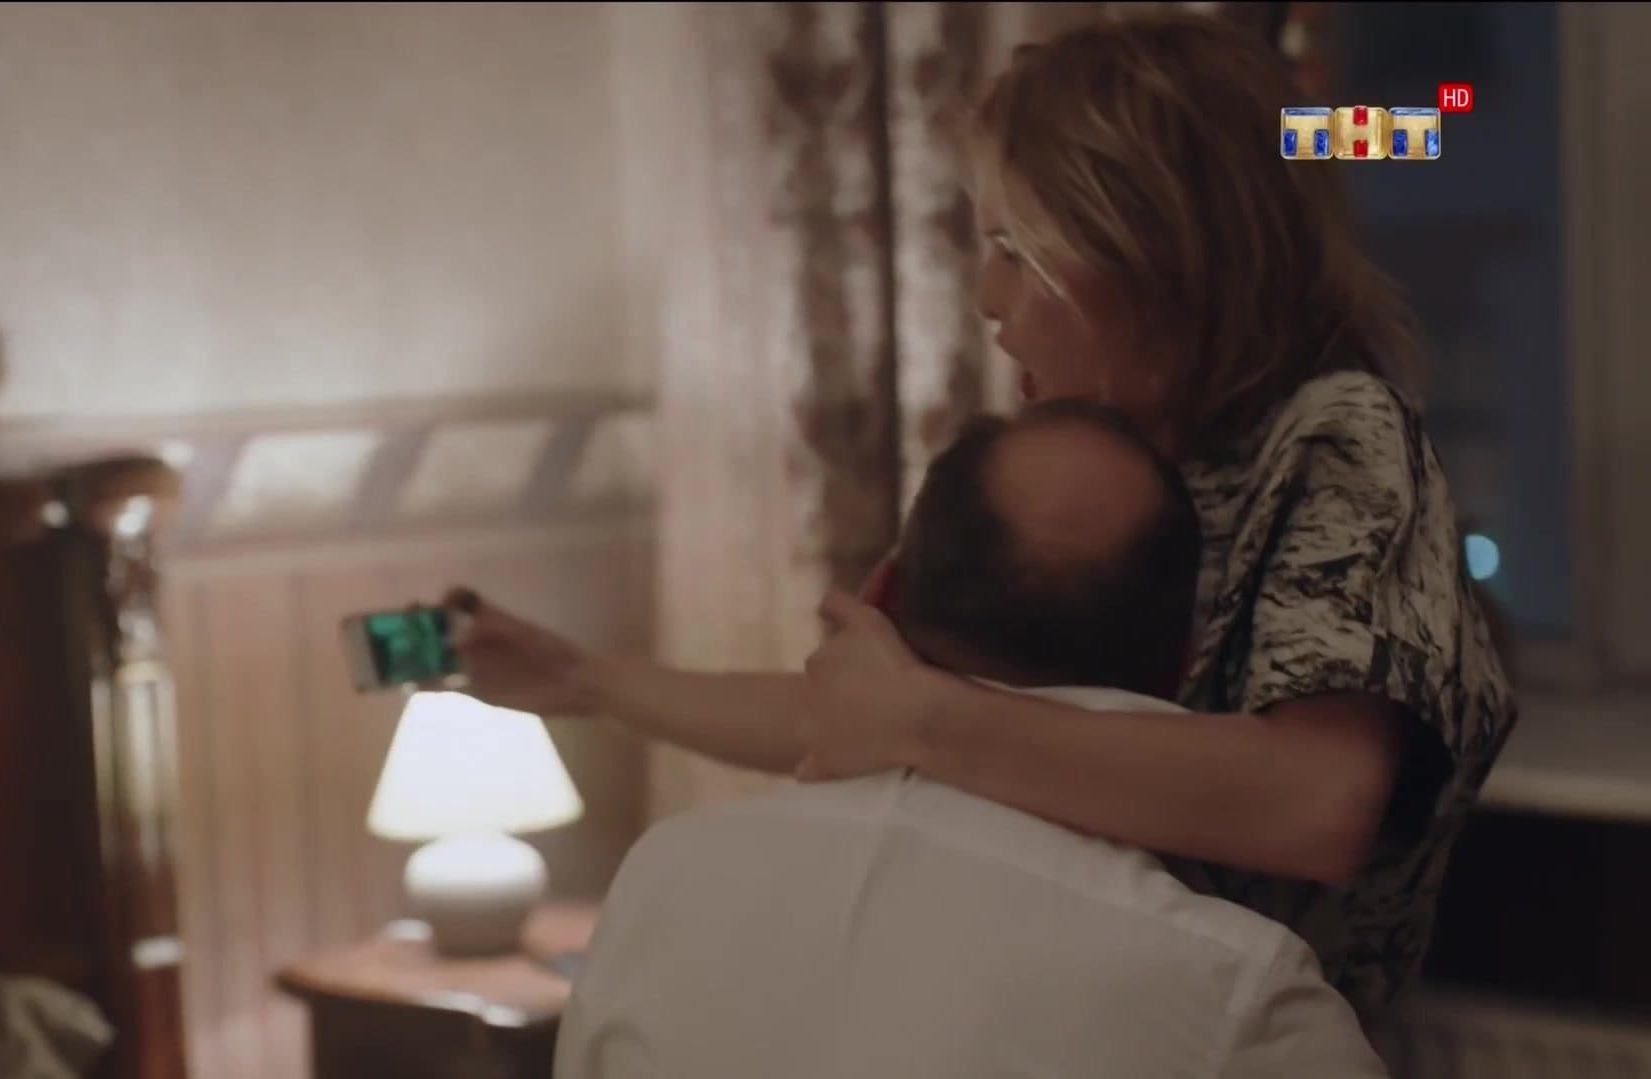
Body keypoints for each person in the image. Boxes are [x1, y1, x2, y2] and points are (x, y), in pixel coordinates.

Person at [448, 12, 1516, 1022]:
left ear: (1153, 251)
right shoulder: (1103, 467)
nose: (987, 300)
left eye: (1016, 250)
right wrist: (582, 682)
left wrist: (922, 718)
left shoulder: (1336, 440)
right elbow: (865, 711)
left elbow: (1314, 804)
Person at [553, 404, 1387, 1079]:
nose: (995, 300)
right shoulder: (1242, 1002)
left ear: (880, 597)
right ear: (1186, 661)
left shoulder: (664, 881)